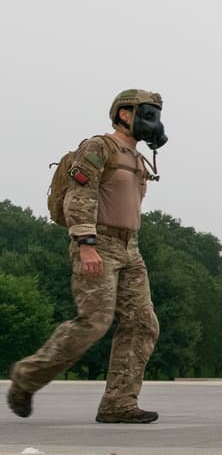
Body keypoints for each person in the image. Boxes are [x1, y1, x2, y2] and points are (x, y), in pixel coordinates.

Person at [8, 90, 167, 424]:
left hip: (130, 248)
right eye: (148, 113)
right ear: (125, 114)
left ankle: (118, 403)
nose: (155, 120)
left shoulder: (137, 158)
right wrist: (86, 243)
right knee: (94, 322)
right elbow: (81, 194)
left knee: (143, 323)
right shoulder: (98, 147)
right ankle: (27, 376)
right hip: (99, 242)